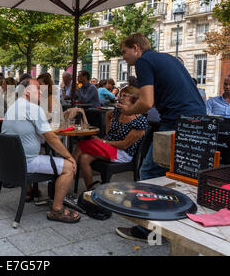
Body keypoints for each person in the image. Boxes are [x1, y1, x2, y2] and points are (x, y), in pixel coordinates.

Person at [116, 32, 206, 241]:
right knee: (179, 175)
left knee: (148, 171)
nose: (123, 57)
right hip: (198, 120)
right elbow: (161, 92)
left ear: (136, 48)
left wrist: (127, 111)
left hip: (176, 121)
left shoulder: (144, 61)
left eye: (124, 52)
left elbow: (147, 103)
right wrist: (138, 97)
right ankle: (175, 223)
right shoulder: (167, 58)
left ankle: (147, 230)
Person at [2, 78, 81, 223]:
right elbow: (51, 138)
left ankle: (35, 191)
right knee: (69, 167)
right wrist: (70, 156)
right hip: (28, 162)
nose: (41, 91)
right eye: (37, 88)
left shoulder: (13, 106)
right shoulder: (32, 108)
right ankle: (57, 209)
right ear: (26, 92)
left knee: (52, 157)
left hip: (11, 162)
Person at [72, 86, 148, 190]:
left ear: (134, 99)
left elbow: (124, 144)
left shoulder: (140, 121)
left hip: (123, 153)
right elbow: (108, 115)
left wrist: (103, 141)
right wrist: (108, 134)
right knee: (84, 158)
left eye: (125, 96)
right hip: (109, 147)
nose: (121, 98)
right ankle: (91, 190)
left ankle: (66, 173)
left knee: (82, 145)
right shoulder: (118, 112)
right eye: (121, 95)